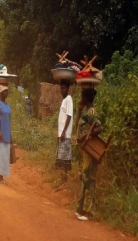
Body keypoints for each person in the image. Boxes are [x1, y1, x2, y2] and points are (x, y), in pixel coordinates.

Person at [75, 88, 102, 221]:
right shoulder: (86, 112)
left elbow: (99, 127)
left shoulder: (92, 112)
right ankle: (81, 209)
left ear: (85, 98)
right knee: (84, 177)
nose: (81, 98)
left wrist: (85, 136)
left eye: (82, 96)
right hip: (84, 151)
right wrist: (79, 110)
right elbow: (77, 127)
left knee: (88, 179)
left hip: (90, 151)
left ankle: (88, 211)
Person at [55, 80, 73, 190]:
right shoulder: (64, 100)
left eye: (64, 88)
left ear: (68, 89)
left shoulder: (69, 99)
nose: (62, 90)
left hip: (65, 135)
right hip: (62, 134)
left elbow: (69, 116)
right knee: (61, 159)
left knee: (64, 160)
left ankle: (64, 183)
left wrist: (63, 132)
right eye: (61, 88)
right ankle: (63, 182)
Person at [0, 84, 11, 184]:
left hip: (7, 132)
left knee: (6, 155)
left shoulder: (7, 105)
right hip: (1, 134)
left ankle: (3, 175)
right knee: (1, 154)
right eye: (5, 91)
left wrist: (10, 134)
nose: (6, 93)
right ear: (1, 93)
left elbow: (9, 120)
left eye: (7, 91)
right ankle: (0, 177)